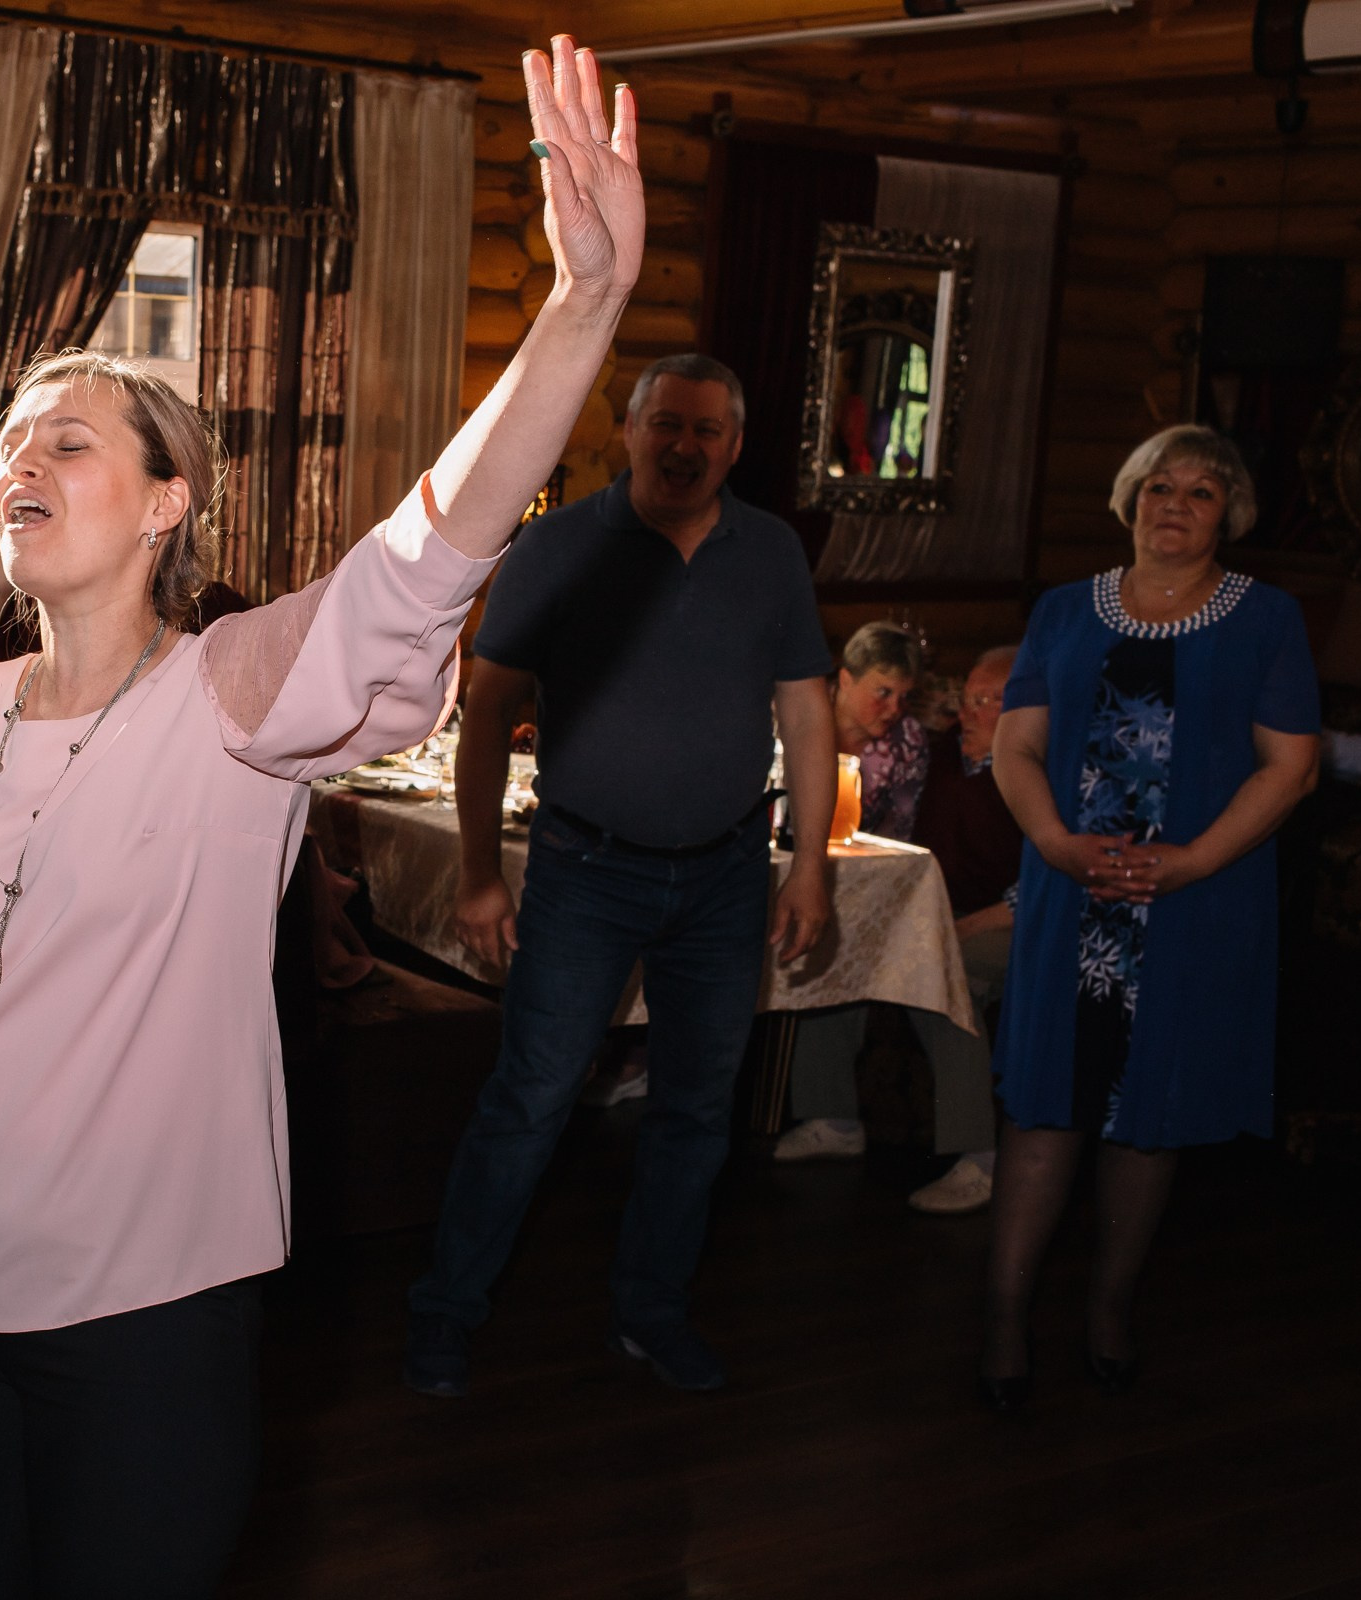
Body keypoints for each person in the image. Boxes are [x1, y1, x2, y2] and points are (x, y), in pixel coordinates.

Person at [0, 39, 643, 1595]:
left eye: (73, 438)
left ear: (169, 500)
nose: (21, 464)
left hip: (150, 1305)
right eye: (15, 443)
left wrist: (581, 309)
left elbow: (423, 554)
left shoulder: (230, 694)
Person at [405, 344, 838, 1402]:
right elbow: (485, 714)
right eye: (667, 424)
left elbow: (808, 712)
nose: (685, 445)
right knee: (533, 1099)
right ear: (630, 433)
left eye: (707, 429)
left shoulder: (773, 553)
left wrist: (812, 861)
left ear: (734, 446)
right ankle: (444, 1316)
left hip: (729, 874)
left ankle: (651, 1312)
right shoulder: (558, 547)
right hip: (584, 870)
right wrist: (475, 872)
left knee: (696, 1109)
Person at [980, 425, 1319, 1412]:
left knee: (1148, 1116)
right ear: (1128, 500)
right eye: (1158, 486)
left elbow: (1290, 768)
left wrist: (1192, 862)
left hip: (1197, 903)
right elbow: (1015, 746)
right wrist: (1049, 841)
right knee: (1045, 1104)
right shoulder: (1059, 610)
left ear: (1231, 513)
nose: (1175, 503)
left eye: (1202, 491)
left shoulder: (1268, 620)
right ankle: (1003, 1316)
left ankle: (1109, 1308)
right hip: (1069, 891)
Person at [777, 644, 1022, 1213]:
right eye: (968, 700)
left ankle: (981, 1157)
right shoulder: (940, 755)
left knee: (940, 969)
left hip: (1011, 925)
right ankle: (833, 1118)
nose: (969, 713)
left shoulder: (1037, 774)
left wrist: (949, 933)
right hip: (938, 912)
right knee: (836, 944)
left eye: (987, 702)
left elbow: (1037, 894)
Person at [834, 619, 928, 841]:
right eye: (884, 692)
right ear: (846, 680)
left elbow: (898, 829)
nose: (895, 708)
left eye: (904, 696)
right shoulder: (805, 718)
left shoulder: (907, 739)